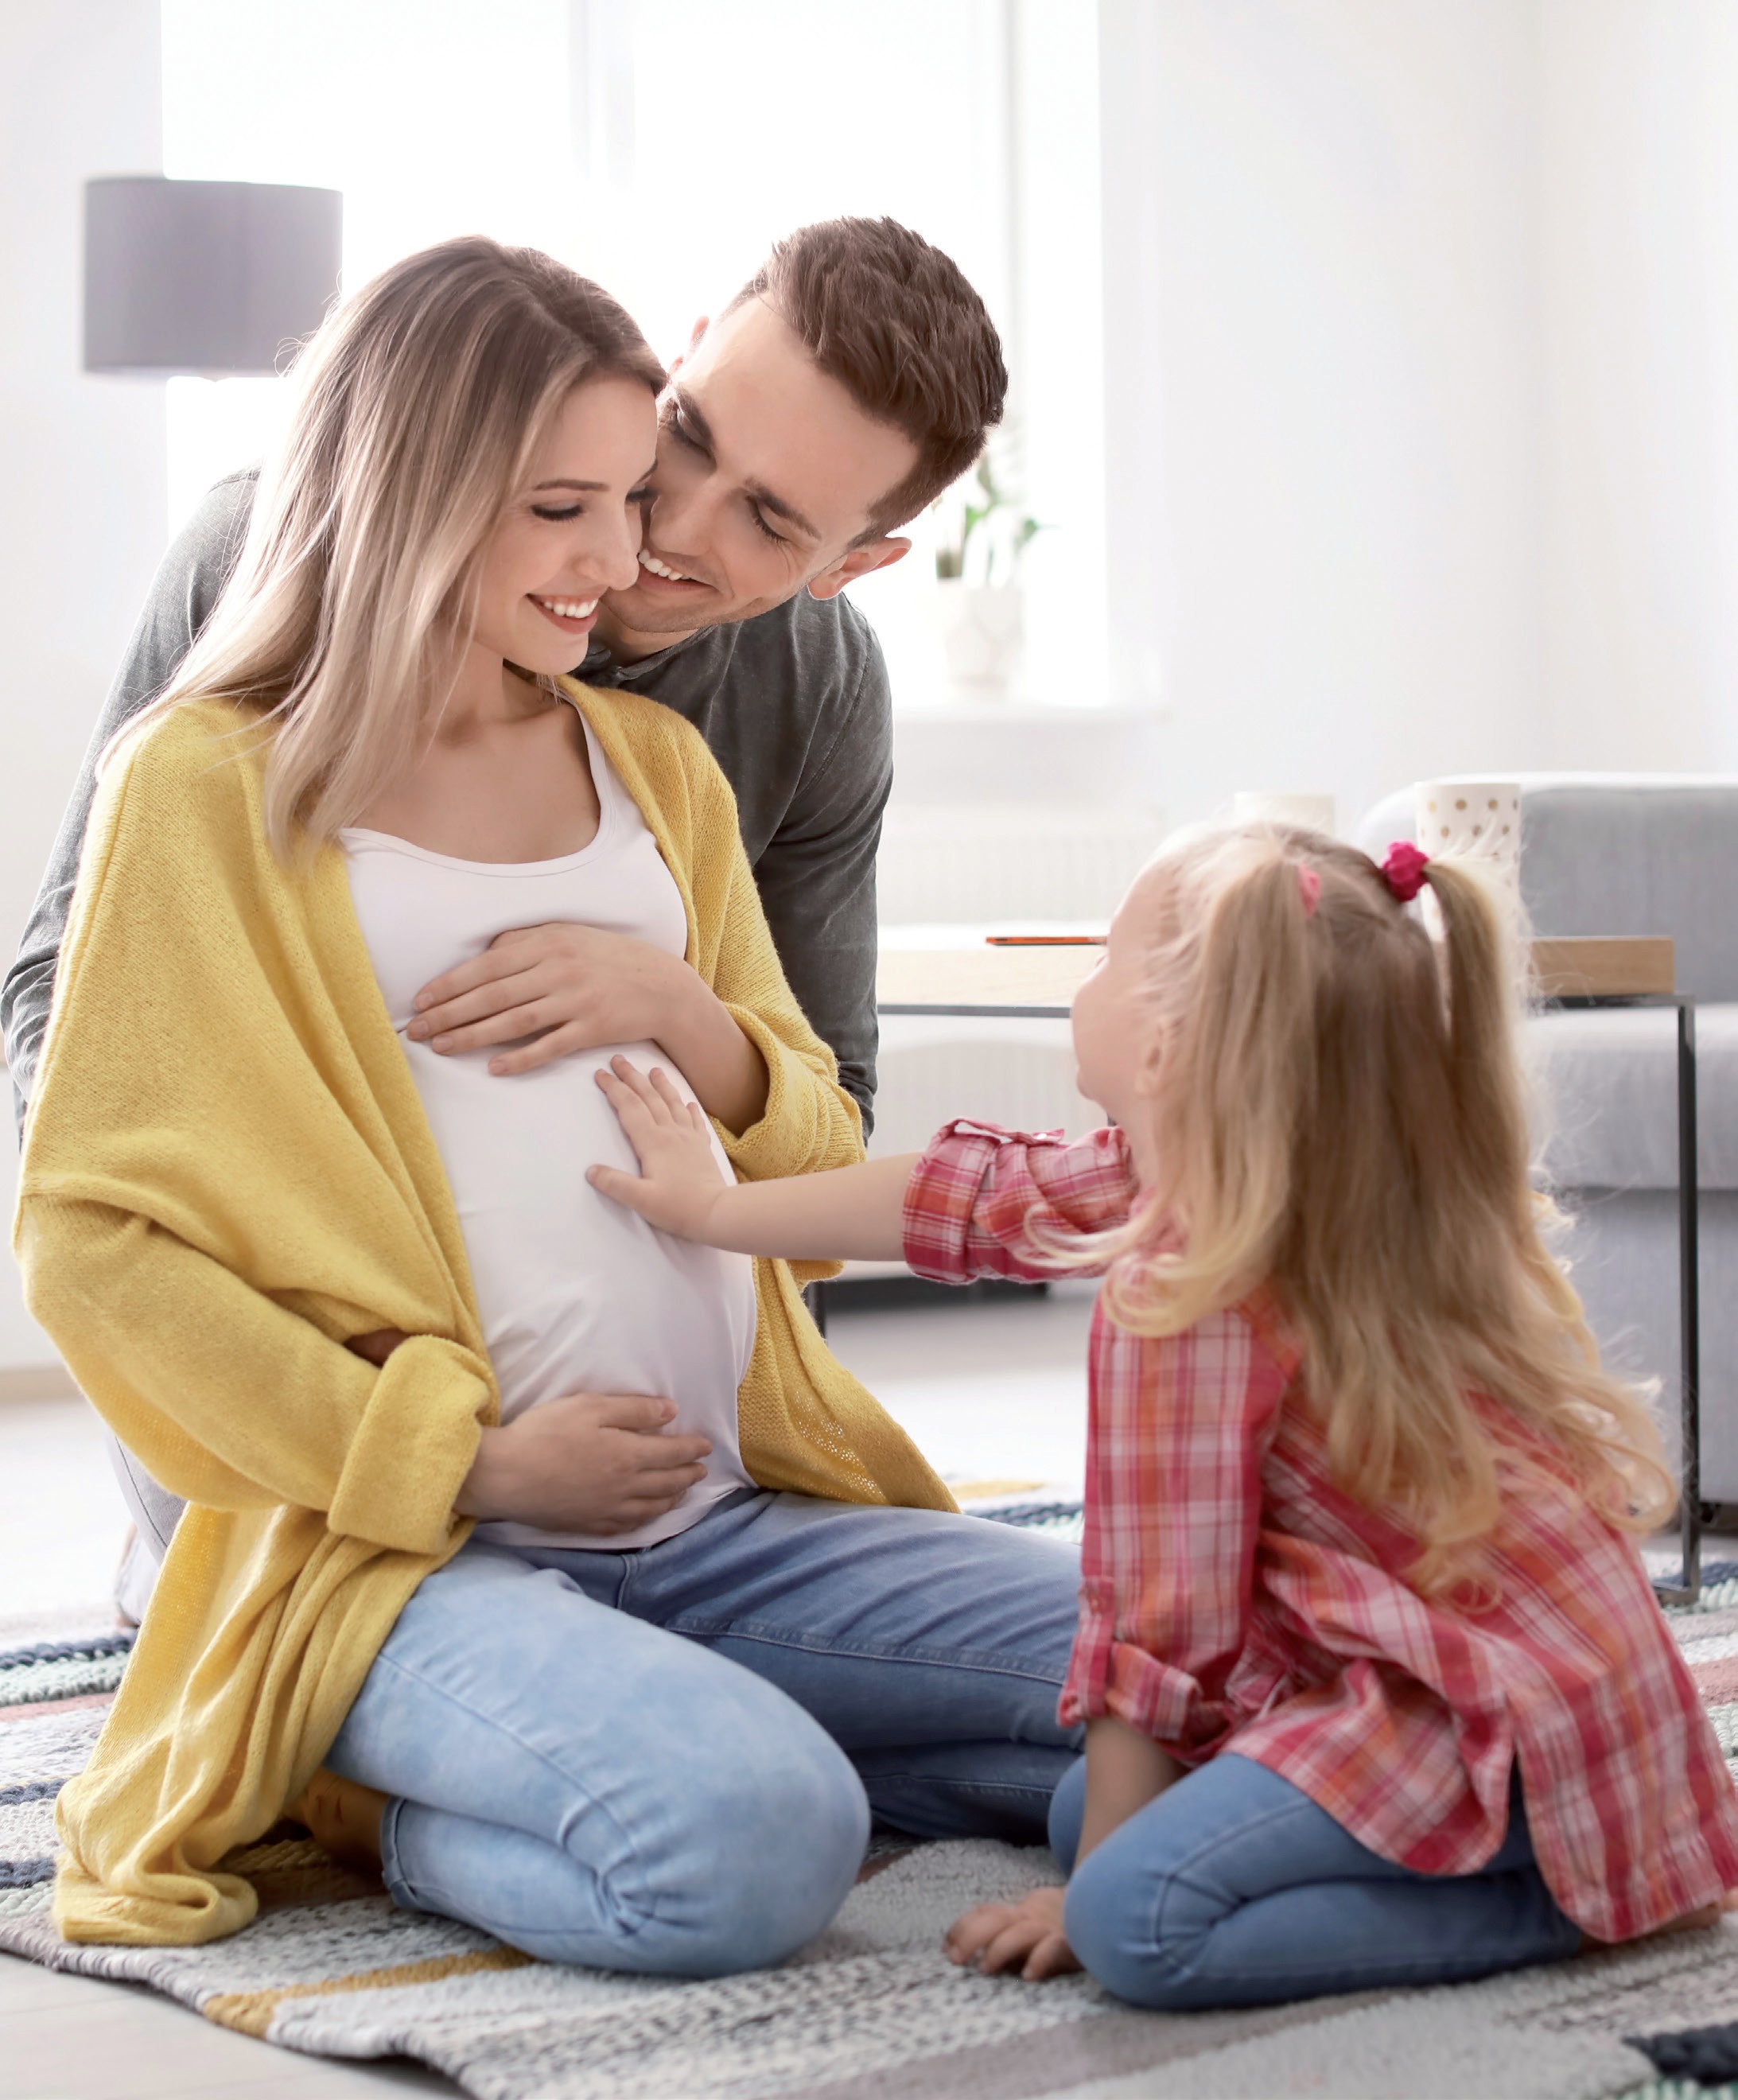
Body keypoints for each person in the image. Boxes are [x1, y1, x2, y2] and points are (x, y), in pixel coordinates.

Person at [16, 238, 1079, 1966]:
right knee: (755, 1837)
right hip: (391, 1511)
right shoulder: (219, 740)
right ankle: (334, 1744)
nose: (647, 538)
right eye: (634, 472)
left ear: (853, 565)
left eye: (763, 521)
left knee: (1185, 1665)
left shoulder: (684, 755)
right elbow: (87, 1175)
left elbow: (818, 1118)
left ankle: (618, 1711)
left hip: (715, 1506)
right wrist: (347, 1466)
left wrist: (683, 1014)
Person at [585, 825, 1738, 2007]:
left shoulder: (1184, 1297)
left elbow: (1152, 1632)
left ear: (1167, 1041)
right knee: (1095, 1803)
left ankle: (1565, 1892)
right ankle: (1555, 1846)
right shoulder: (1288, 1173)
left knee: (1137, 1924)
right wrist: (717, 1213)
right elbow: (971, 1196)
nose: (1083, 982)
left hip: (1485, 1726)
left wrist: (1088, 1898)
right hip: (1529, 1686)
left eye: (1101, 958)